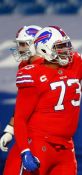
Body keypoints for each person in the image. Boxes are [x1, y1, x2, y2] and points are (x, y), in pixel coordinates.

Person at [12, 1, 82, 174]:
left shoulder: (74, 65)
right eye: (60, 47)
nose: (66, 50)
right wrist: (24, 151)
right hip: (39, 143)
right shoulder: (33, 74)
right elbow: (20, 119)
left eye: (66, 45)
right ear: (44, 48)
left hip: (66, 147)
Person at [1, 25, 43, 175]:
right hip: (26, 132)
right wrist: (11, 129)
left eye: (24, 44)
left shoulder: (49, 68)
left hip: (41, 135)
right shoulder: (24, 65)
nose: (20, 49)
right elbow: (22, 102)